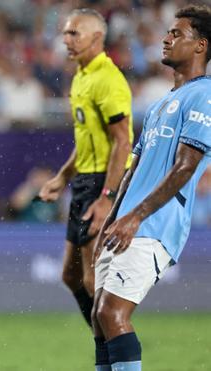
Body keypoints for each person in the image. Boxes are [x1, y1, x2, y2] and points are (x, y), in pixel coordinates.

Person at [91, 5, 211, 370]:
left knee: (113, 314)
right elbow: (134, 170)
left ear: (200, 46)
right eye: (168, 32)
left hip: (155, 225)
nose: (166, 38)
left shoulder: (203, 96)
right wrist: (111, 219)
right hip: (127, 222)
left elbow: (186, 167)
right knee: (99, 319)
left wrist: (135, 218)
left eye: (177, 34)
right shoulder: (161, 103)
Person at [38, 8, 133, 329]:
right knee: (71, 275)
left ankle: (114, 351)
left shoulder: (108, 80)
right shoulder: (81, 76)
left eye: (73, 33)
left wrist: (107, 196)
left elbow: (122, 142)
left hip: (105, 181)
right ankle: (105, 343)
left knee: (94, 278)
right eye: (65, 33)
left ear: (96, 38)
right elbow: (87, 138)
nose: (66, 39)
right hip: (85, 180)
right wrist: (63, 177)